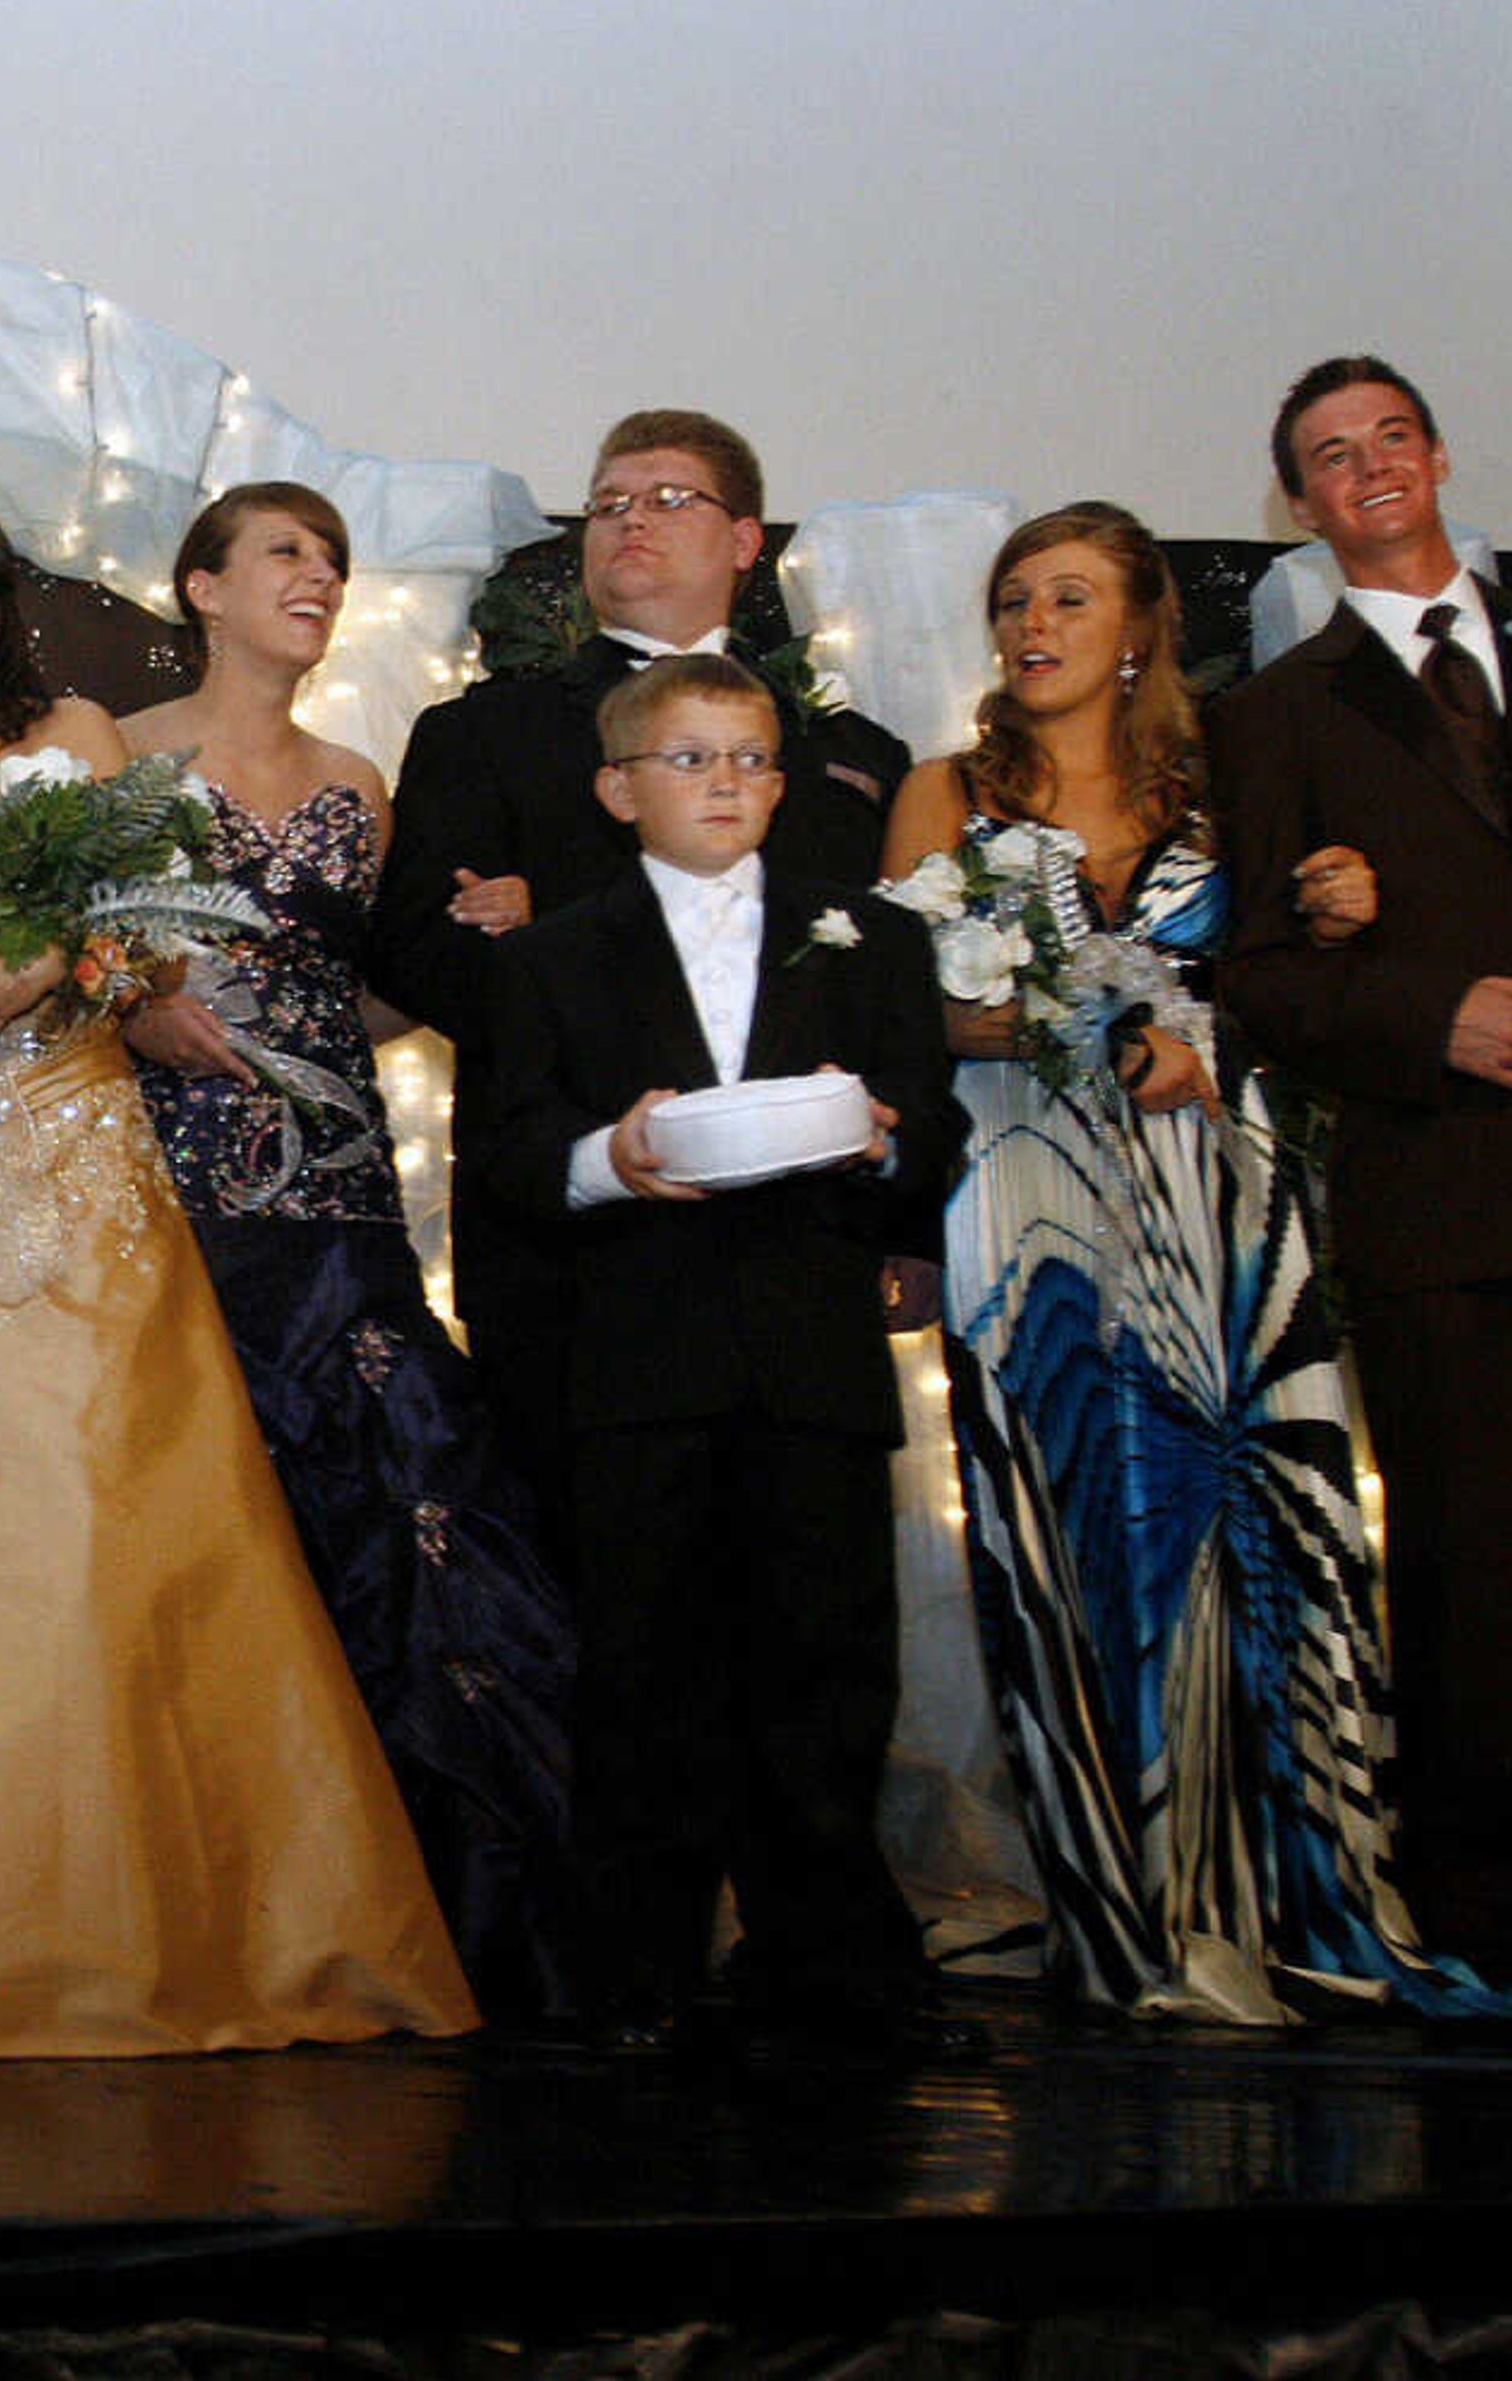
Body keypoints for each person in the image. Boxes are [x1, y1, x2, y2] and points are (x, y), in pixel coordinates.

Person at [0, 471, 480, 2054]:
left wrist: (70, 954)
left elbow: (154, 941)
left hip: (85, 1171)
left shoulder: (73, 740)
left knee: (124, 1526)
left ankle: (185, 1912)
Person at [886, 502, 1512, 2023]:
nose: (1036, 622)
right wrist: (1080, 1028)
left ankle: (1300, 1901)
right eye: (1017, 598)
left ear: (1142, 627)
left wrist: (1331, 907)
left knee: (1259, 1533)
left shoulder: (1225, 781)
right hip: (1029, 1194)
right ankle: (1129, 1919)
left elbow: (1289, 982)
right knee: (1077, 1545)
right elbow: (915, 1001)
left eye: (1073, 597)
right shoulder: (943, 789)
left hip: (1220, 1195)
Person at [1213, 357, 1512, 2008]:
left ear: (1435, 456)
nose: (1370, 473)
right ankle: (1473, 1919)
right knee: (1468, 1567)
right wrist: (1431, 1016)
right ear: (1301, 506)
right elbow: (1259, 979)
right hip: (1438, 1186)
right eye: (1331, 461)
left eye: (1390, 441)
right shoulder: (1273, 714)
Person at [117, 482, 577, 2019]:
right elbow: (64, 972)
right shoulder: (123, 755)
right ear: (203, 585)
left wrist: (492, 939)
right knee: (206, 1529)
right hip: (185, 1199)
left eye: (332, 559)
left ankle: (427, 1890)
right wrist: (129, 1010)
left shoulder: (360, 784)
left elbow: (370, 993)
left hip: (342, 1195)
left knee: (404, 1518)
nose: (316, 579)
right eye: (286, 555)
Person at [465, 656, 963, 2050]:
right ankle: (642, 1973)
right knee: (643, 1675)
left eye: (750, 756)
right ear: (619, 788)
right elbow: (505, 1155)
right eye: (690, 758)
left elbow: (930, 1126)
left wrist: (882, 1140)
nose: (726, 781)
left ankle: (834, 1970)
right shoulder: (554, 954)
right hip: (637, 1367)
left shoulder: (870, 936)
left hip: (812, 1361)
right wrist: (609, 1160)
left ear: (784, 781)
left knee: (827, 1669)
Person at [368, 410, 911, 1520]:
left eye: (669, 499)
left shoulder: (847, 755)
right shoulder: (487, 734)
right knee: (593, 1633)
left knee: (815, 1634)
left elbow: (867, 986)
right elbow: (423, 950)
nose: (629, 523)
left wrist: (544, 919)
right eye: (609, 503)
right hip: (573, 1255)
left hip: (799, 1266)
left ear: (747, 541)